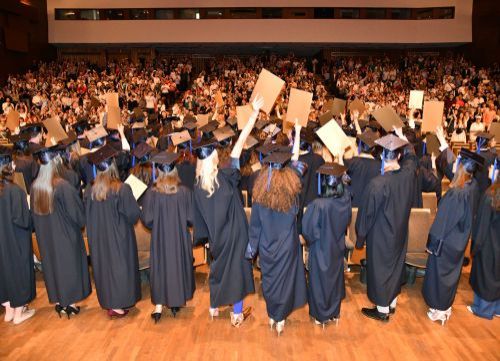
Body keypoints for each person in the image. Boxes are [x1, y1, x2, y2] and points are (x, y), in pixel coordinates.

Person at [192, 96, 262, 328]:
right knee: (238, 273)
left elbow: (198, 219)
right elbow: (240, 143)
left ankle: (213, 308)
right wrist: (253, 115)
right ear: (214, 157)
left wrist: (207, 237)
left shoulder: (197, 186)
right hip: (236, 234)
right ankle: (236, 314)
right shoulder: (227, 175)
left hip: (216, 237)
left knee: (219, 270)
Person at [246, 120, 307, 336]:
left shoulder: (260, 194)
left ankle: (273, 315)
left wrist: (251, 248)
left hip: (267, 248)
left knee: (270, 283)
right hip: (287, 247)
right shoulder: (292, 190)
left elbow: (254, 228)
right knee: (285, 283)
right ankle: (280, 319)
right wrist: (297, 133)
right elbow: (297, 159)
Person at [355, 131, 417, 322]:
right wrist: (402, 137)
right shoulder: (408, 176)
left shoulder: (377, 184)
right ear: (399, 155)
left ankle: (382, 311)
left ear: (382, 156)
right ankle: (391, 304)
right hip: (400, 233)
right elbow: (412, 159)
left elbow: (366, 215)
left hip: (381, 236)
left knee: (380, 269)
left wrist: (360, 237)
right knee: (396, 267)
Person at [422, 149, 484, 325]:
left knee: (439, 275)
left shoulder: (457, 193)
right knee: (451, 275)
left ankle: (439, 311)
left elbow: (443, 222)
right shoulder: (473, 186)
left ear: (462, 167)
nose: (454, 164)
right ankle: (445, 307)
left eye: (457, 162)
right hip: (459, 240)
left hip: (446, 241)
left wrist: (432, 243)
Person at [31, 146, 91, 318]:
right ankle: (69, 303)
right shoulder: (63, 187)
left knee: (53, 268)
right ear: (57, 162)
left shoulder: (36, 187)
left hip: (46, 238)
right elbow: (78, 217)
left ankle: (59, 302)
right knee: (68, 267)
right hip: (65, 237)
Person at [85, 144, 142, 318]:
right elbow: (133, 216)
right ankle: (117, 306)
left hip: (99, 237)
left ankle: (110, 302)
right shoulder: (122, 189)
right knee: (120, 268)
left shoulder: (89, 191)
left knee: (105, 269)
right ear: (113, 166)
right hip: (119, 237)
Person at [141, 152, 195, 323]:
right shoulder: (184, 192)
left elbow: (147, 220)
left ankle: (158, 305)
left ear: (158, 171)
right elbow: (191, 219)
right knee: (177, 266)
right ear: (174, 170)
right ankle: (176, 302)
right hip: (179, 237)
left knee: (161, 268)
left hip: (160, 238)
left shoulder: (151, 193)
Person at [302, 162, 352, 327]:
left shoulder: (318, 205)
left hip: (321, 249)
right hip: (337, 248)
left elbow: (308, 231)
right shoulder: (345, 202)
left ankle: (321, 315)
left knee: (319, 281)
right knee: (334, 280)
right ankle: (333, 313)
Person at [0, 147, 36, 325]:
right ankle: (18, 314)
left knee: (4, 274)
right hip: (16, 241)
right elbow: (23, 220)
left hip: (1, 243)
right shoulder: (15, 191)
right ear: (10, 166)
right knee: (18, 272)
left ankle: (8, 311)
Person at [468, 171, 500, 320]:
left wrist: (474, 247)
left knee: (486, 277)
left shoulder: (491, 196)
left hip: (489, 246)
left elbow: (481, 225)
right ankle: (497, 308)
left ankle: (483, 309)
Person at [344, 130, 381, 207]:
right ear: (373, 149)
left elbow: (344, 181)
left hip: (352, 205)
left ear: (358, 147)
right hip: (370, 207)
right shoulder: (380, 166)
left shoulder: (350, 163)